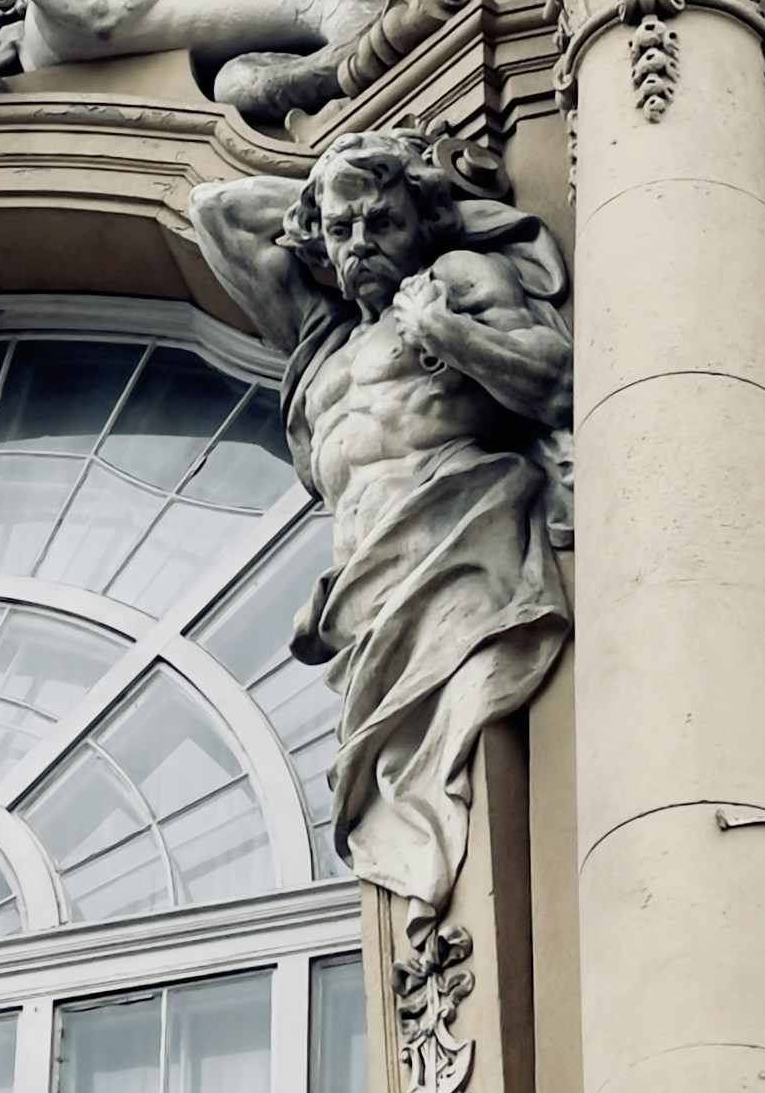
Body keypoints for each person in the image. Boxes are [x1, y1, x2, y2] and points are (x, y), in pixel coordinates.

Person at [192, 135, 571, 911]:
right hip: (365, 593)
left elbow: (556, 384)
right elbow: (217, 210)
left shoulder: (458, 279)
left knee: (465, 749)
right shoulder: (324, 337)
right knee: (398, 778)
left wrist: (449, 335)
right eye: (341, 231)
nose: (361, 245)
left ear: (423, 222)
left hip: (457, 546)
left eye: (382, 224)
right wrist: (328, 189)